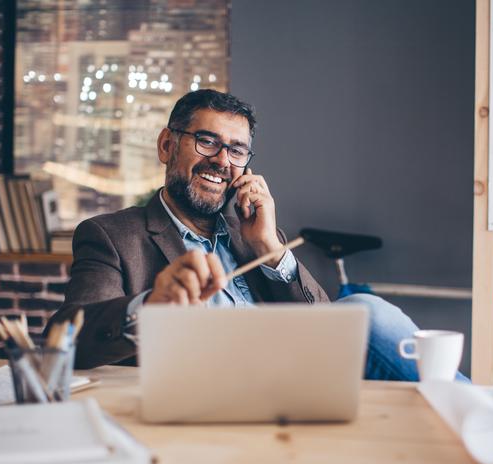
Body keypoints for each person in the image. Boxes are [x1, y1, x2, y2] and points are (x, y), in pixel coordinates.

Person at [48, 89, 467, 382]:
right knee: (366, 312)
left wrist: (271, 249)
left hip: (294, 383)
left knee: (363, 315)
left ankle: (468, 416)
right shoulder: (111, 235)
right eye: (207, 141)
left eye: (236, 150)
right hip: (206, 392)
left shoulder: (255, 236)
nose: (221, 161)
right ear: (166, 146)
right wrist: (152, 306)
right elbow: (68, 339)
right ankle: (478, 415)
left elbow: (324, 324)